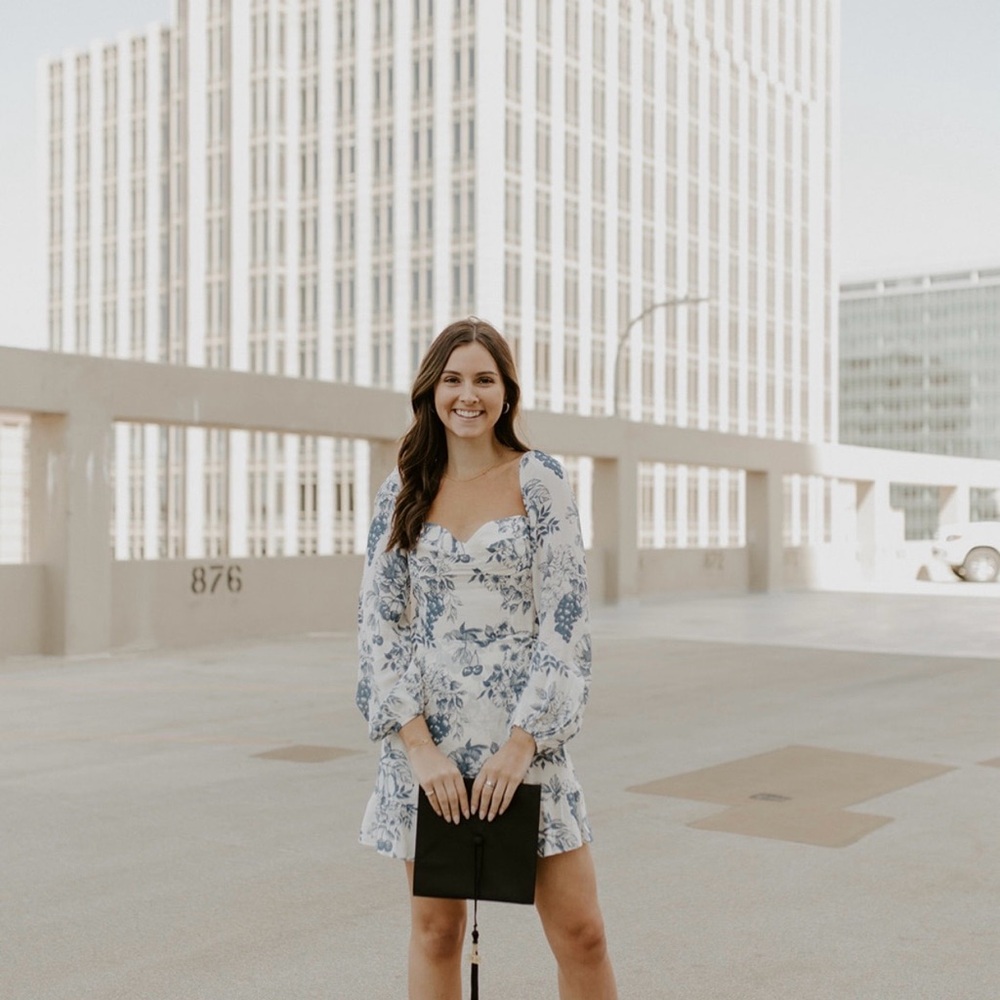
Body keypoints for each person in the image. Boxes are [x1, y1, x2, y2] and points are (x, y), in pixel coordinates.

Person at [356, 317, 618, 1000]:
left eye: (483, 379)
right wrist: (418, 749)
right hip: (429, 754)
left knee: (582, 934)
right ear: (430, 391)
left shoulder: (542, 484)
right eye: (452, 380)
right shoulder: (402, 490)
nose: (466, 395)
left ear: (507, 392)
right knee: (437, 933)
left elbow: (565, 626)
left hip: (524, 747)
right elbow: (378, 627)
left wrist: (520, 747)